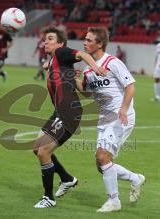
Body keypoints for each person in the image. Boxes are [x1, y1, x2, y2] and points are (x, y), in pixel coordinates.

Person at [33, 27, 105, 208]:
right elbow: (85, 93)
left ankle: (48, 197)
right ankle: (67, 179)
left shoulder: (61, 52)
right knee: (37, 148)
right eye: (45, 39)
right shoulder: (58, 63)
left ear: (60, 44)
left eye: (50, 39)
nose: (46, 42)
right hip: (60, 111)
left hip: (68, 112)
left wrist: (95, 68)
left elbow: (82, 54)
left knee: (43, 152)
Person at [75, 27, 145, 213]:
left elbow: (130, 87)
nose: (85, 42)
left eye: (89, 40)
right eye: (85, 39)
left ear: (99, 44)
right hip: (105, 118)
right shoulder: (89, 69)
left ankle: (114, 201)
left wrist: (122, 109)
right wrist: (77, 81)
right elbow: (89, 93)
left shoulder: (113, 62)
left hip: (121, 116)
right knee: (102, 164)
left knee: (102, 157)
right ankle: (135, 178)